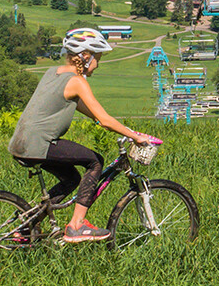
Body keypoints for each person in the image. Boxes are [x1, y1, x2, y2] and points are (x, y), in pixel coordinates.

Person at [8, 27, 159, 243]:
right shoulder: (78, 81)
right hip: (40, 144)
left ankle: (26, 228)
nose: (98, 63)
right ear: (85, 56)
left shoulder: (53, 73)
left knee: (71, 179)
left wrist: (106, 122)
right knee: (95, 161)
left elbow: (82, 108)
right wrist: (135, 136)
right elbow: (104, 119)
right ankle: (77, 225)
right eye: (98, 57)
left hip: (21, 143)